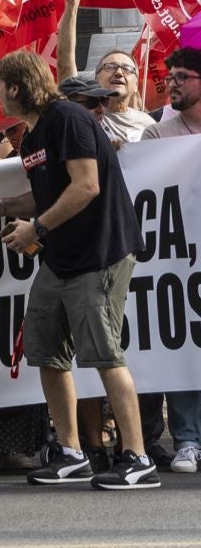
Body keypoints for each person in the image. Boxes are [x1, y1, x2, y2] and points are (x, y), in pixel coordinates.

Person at [0, 50, 157, 490]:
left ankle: (138, 458)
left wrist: (35, 228)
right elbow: (49, 192)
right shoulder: (33, 136)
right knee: (47, 352)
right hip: (59, 259)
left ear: (16, 87)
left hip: (100, 254)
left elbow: (86, 186)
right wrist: (5, 206)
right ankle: (72, 453)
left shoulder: (68, 118)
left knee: (105, 354)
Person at [137, 47, 201, 474]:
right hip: (179, 262)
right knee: (185, 347)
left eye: (181, 77)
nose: (171, 84)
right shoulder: (157, 136)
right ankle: (187, 440)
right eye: (170, 76)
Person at [57, 0, 155, 144]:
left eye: (127, 69)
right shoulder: (85, 113)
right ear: (96, 79)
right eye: (110, 67)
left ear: (135, 85)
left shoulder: (150, 126)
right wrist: (72, 6)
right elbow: (65, 63)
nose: (119, 72)